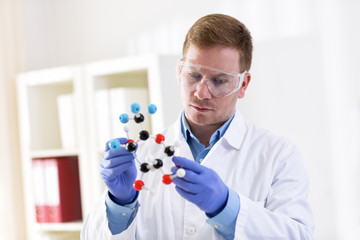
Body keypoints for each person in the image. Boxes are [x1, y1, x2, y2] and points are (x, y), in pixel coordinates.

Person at [81, 13, 314, 239]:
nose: (201, 93)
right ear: (179, 71)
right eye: (193, 75)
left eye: (219, 81)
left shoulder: (278, 155)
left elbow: (298, 235)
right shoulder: (142, 154)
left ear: (243, 84)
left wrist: (226, 206)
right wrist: (119, 203)